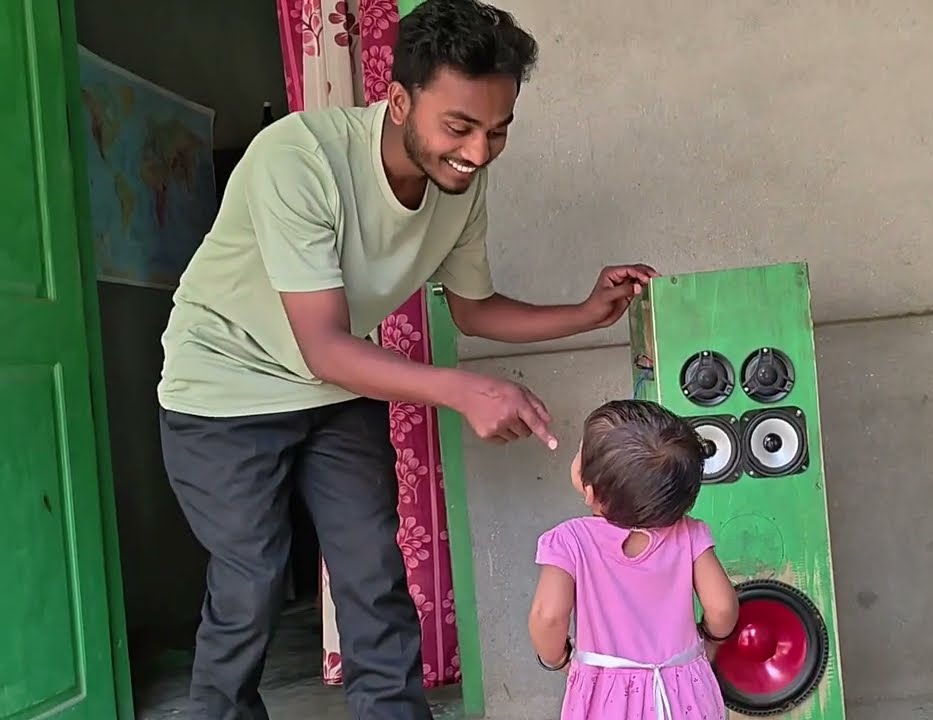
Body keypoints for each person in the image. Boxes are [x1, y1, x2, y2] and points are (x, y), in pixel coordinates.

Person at [155, 1, 657, 718]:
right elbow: (322, 344)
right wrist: (461, 390)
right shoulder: (298, 159)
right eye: (459, 127)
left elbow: (473, 308)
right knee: (251, 585)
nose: (479, 152)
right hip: (224, 393)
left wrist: (584, 311)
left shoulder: (462, 182)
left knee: (373, 574)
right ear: (397, 100)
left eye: (497, 131)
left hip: (334, 389)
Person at [528, 400, 741, 720]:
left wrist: (561, 660)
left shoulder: (570, 540)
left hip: (604, 693)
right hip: (683, 686)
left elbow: (548, 618)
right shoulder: (690, 534)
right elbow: (722, 607)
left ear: (590, 491)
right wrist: (708, 643)